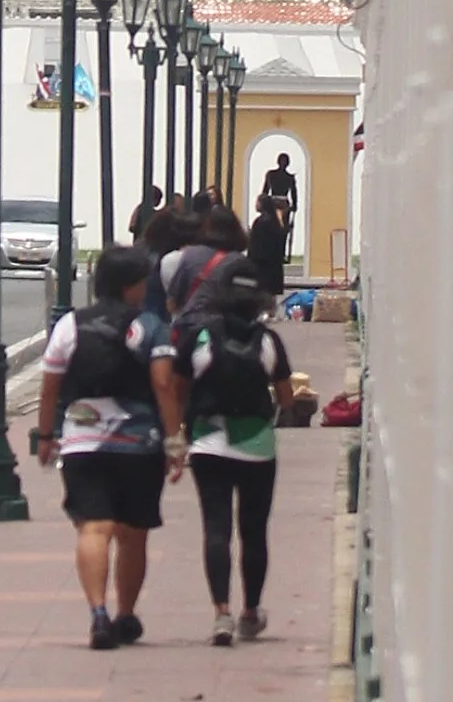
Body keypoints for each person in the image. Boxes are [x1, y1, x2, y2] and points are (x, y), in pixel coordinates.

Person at [32, 247, 186, 648]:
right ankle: (126, 613)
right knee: (133, 534)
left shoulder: (71, 325)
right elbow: (164, 385)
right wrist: (174, 440)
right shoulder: (152, 327)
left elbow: (50, 385)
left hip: (83, 441)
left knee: (94, 527)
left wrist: (46, 436)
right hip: (140, 443)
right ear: (131, 285)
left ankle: (97, 611)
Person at [173, 255, 301, 644]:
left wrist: (181, 431)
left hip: (208, 441)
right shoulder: (268, 341)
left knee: (216, 527)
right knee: (254, 529)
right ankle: (251, 611)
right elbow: (286, 398)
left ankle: (221, 614)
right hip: (257, 444)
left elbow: (179, 390)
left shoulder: (201, 336)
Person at [163, 195, 246, 323]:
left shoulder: (191, 255)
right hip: (228, 329)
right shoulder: (240, 262)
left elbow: (172, 303)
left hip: (194, 327)